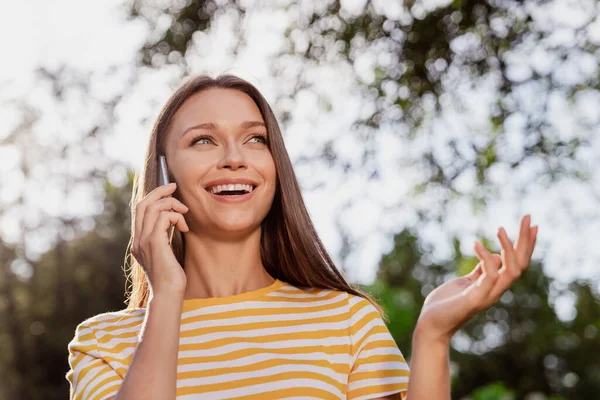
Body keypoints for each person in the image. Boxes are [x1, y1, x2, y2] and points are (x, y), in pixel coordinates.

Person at [65, 74, 538, 400]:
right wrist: (167, 293)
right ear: (162, 174)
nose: (235, 157)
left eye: (255, 139)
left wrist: (432, 338)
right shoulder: (102, 343)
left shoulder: (348, 321)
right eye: (203, 140)